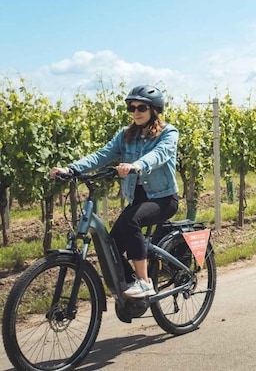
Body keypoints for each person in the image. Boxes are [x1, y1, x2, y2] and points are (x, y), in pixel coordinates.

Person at [50, 85, 179, 298]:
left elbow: (159, 155)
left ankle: (145, 282)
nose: (136, 111)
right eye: (132, 107)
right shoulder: (126, 135)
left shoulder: (168, 133)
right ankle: (130, 292)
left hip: (163, 199)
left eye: (141, 107)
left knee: (130, 222)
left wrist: (136, 165)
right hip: (137, 200)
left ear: (154, 110)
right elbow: (102, 155)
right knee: (111, 249)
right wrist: (71, 169)